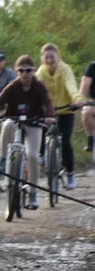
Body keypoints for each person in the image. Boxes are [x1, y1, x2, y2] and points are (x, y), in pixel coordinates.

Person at [0, 55, 55, 209]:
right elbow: (0, 100)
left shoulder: (39, 86)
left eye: (28, 70)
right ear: (17, 72)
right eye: (21, 70)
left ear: (33, 71)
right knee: (7, 125)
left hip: (34, 121)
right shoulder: (13, 86)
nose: (25, 74)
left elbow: (47, 102)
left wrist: (49, 116)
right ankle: (3, 159)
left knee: (32, 156)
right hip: (14, 119)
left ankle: (32, 193)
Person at [35, 43, 80, 189]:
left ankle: (71, 175)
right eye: (46, 57)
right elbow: (36, 91)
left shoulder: (65, 69)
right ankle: (42, 156)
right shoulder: (40, 72)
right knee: (39, 129)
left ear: (58, 57)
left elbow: (71, 87)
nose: (49, 60)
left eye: (52, 57)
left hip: (66, 110)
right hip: (48, 112)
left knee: (65, 141)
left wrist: (77, 100)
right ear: (42, 59)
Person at [81, 61, 95, 152]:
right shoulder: (92, 67)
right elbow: (85, 85)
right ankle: (91, 139)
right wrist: (81, 100)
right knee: (86, 112)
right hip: (94, 102)